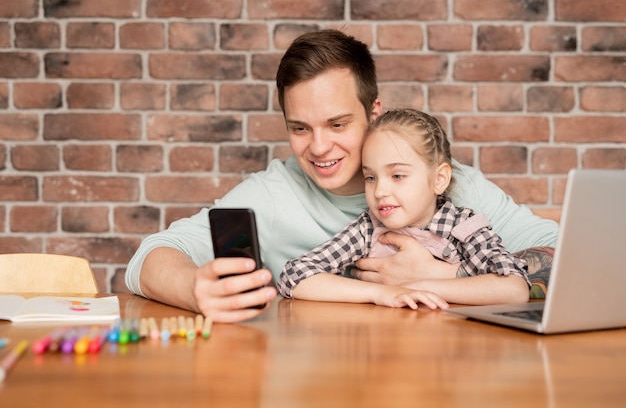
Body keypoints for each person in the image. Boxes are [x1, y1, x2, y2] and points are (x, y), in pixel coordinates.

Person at [125, 29, 558, 323]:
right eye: (299, 128)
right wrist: (194, 287)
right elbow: (153, 256)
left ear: (374, 113)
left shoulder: (450, 184)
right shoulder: (273, 196)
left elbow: (564, 254)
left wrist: (451, 279)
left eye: (337, 125)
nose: (317, 147)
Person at [278, 108, 530, 309]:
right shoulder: (368, 229)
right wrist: (381, 293)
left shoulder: (464, 226)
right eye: (370, 177)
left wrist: (418, 285)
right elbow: (295, 276)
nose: (379, 192)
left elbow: (514, 289)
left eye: (397, 175)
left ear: (439, 179)